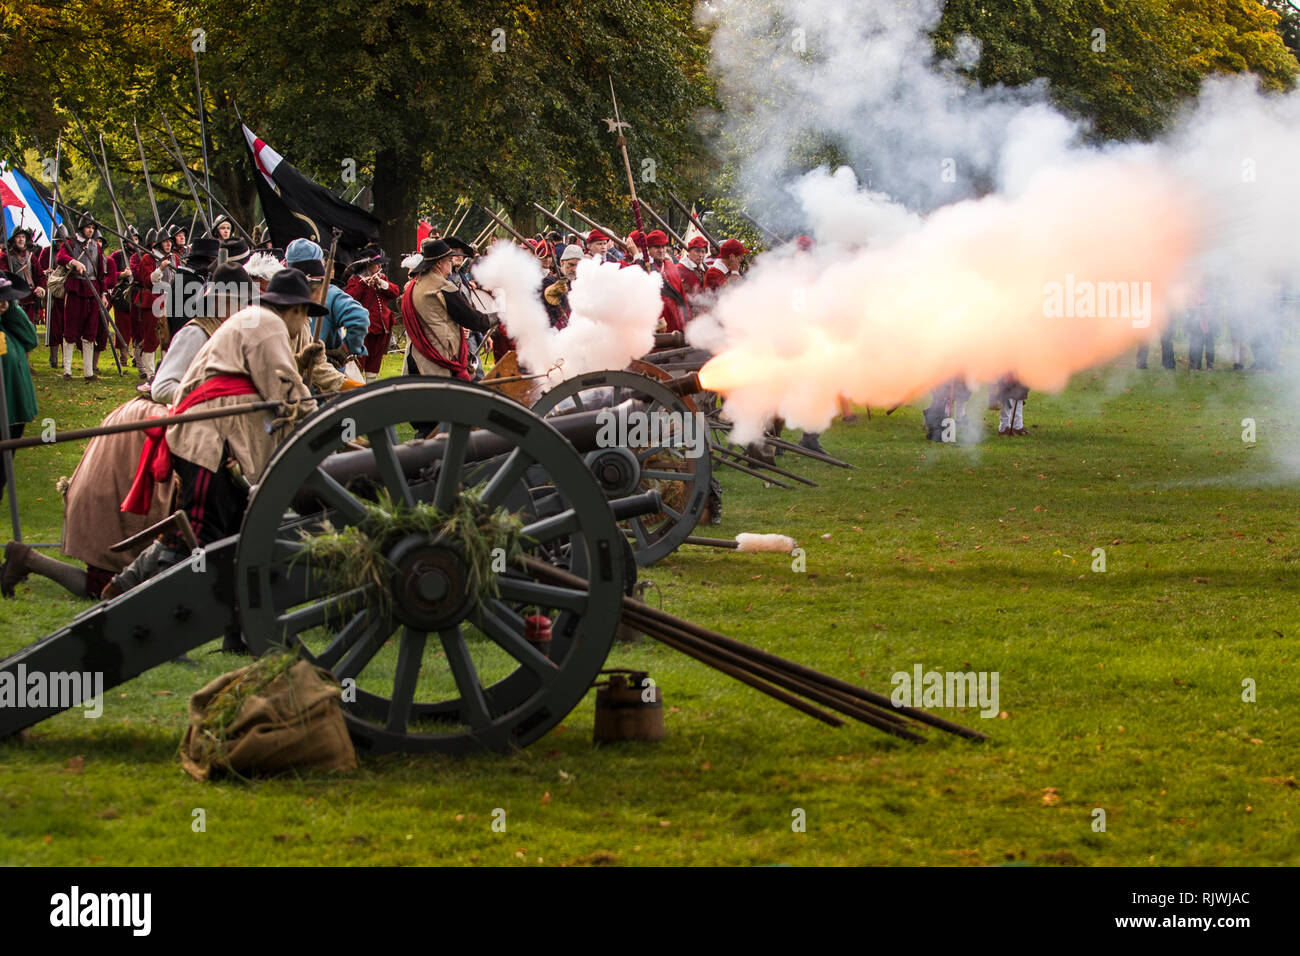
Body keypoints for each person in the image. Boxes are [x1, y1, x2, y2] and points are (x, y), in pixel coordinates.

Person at [106, 268, 323, 601]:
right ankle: (144, 609)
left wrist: (297, 367)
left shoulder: (254, 321)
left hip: (212, 437)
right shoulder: (269, 324)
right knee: (201, 535)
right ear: (295, 309)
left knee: (229, 532)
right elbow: (283, 390)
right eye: (305, 314)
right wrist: (327, 420)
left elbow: (260, 378)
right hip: (210, 439)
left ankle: (130, 585)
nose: (304, 323)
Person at [400, 238, 495, 385]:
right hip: (438, 358)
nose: (451, 263)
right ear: (439, 263)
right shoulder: (442, 287)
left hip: (417, 355)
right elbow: (474, 320)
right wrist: (500, 316)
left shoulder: (416, 284)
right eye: (448, 260)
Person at [285, 238, 369, 371]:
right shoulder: (329, 292)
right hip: (312, 378)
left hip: (320, 373)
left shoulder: (279, 291)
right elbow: (360, 318)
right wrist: (346, 350)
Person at [55, 212, 112, 382]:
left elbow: (101, 273)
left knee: (90, 331)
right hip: (76, 287)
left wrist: (102, 293)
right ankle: (67, 370)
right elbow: (61, 257)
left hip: (93, 289)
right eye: (88, 227)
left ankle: (88, 371)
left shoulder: (96, 246)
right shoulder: (71, 243)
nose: (90, 230)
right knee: (71, 329)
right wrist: (74, 262)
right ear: (81, 228)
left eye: (92, 227)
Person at [344, 246, 400, 383]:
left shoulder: (382, 278)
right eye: (376, 263)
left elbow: (395, 292)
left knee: (375, 361)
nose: (379, 266)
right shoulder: (355, 281)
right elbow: (349, 297)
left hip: (381, 328)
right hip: (363, 329)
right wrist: (363, 285)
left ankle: (371, 385)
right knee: (359, 360)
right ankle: (358, 385)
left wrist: (381, 283)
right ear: (367, 264)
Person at [4, 228, 46, 328]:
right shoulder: (5, 256)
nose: (21, 239)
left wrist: (40, 287)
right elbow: (3, 276)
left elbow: (40, 276)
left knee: (29, 329)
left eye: (23, 237)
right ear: (13, 239)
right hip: (14, 300)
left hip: (30, 298)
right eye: (18, 237)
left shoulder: (31, 256)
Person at [542, 244, 583, 329]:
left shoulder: (580, 283)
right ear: (562, 262)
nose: (574, 269)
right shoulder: (549, 281)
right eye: (571, 265)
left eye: (578, 265)